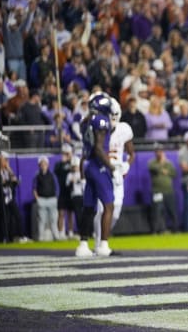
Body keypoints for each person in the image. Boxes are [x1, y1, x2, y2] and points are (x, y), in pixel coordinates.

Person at [76, 93, 114, 257]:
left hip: (88, 164)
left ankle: (83, 244)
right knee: (109, 205)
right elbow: (99, 147)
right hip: (98, 165)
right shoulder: (101, 120)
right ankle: (103, 245)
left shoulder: (86, 121)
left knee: (89, 207)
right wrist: (111, 166)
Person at [94, 97, 135, 249]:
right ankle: (100, 243)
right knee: (102, 209)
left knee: (115, 212)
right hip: (103, 171)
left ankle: (103, 238)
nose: (112, 118)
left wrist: (127, 165)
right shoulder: (99, 127)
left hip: (117, 173)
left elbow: (132, 154)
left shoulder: (124, 129)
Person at [148, 144, 178, 233]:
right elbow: (154, 169)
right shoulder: (152, 162)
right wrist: (162, 164)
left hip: (168, 191)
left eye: (160, 151)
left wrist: (165, 167)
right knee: (156, 212)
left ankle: (175, 229)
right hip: (157, 191)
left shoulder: (169, 163)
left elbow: (174, 173)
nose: (159, 153)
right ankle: (155, 231)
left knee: (172, 211)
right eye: (157, 151)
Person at [32, 155, 60, 241]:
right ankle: (40, 237)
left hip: (52, 200)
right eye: (42, 164)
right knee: (41, 220)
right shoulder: (37, 176)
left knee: (54, 220)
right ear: (39, 165)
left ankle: (56, 237)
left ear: (48, 165)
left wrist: (56, 197)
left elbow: (57, 187)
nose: (43, 165)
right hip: (42, 200)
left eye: (45, 163)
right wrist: (37, 199)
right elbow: (34, 188)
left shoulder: (52, 175)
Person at [54, 144, 76, 239]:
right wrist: (63, 162)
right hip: (62, 192)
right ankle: (60, 232)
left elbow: (76, 169)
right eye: (65, 153)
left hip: (71, 191)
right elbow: (56, 172)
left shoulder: (73, 162)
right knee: (61, 213)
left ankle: (70, 231)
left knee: (70, 214)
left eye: (67, 153)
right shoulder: (59, 164)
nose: (66, 155)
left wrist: (70, 159)